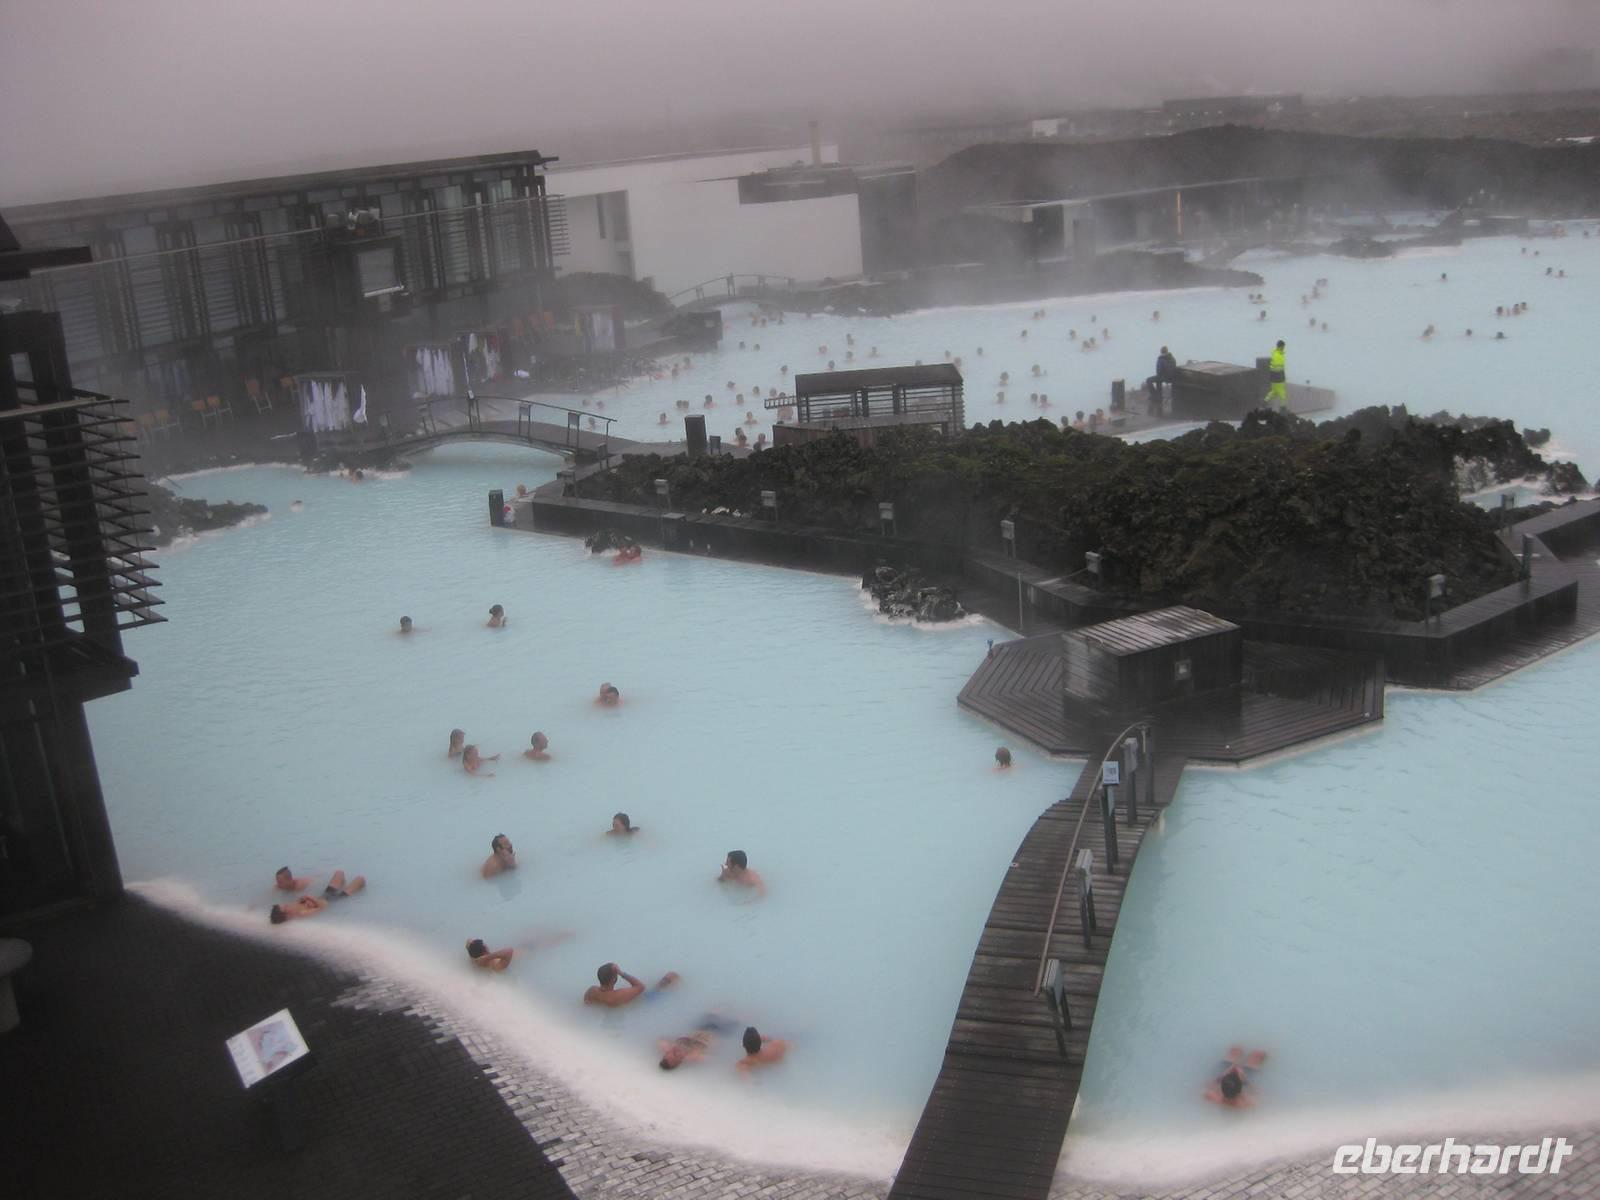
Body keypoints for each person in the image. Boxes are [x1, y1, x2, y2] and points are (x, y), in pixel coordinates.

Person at [269, 870, 365, 923]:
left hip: (324, 896)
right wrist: (310, 898)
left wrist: (303, 899)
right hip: (334, 901)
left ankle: (343, 883)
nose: (286, 905)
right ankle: (353, 888)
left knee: (339, 873)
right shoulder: (302, 914)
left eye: (284, 905)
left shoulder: (292, 908)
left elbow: (301, 900)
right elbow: (323, 908)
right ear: (286, 914)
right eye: (285, 907)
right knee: (361, 879)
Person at [658, 1014, 739, 1070]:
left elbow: (661, 1040)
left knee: (711, 1014)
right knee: (736, 1022)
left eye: (667, 1057)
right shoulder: (690, 1057)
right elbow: (710, 1058)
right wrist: (691, 1056)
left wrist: (670, 1048)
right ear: (678, 1063)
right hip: (715, 1034)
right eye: (675, 1061)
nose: (673, 1057)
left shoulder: (669, 1048)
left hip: (700, 1029)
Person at [584, 963, 680, 1007]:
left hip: (621, 1006)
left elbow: (586, 1003)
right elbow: (641, 987)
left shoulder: (592, 991)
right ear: (614, 979)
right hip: (641, 1003)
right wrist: (621, 973)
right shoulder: (618, 994)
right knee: (671, 976)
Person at [1265, 340, 1287, 408]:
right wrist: (1282, 377)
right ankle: (1283, 408)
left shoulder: (1276, 353)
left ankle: (1265, 401)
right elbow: (1278, 368)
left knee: (1274, 391)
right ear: (1280, 347)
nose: (1284, 348)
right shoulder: (1278, 355)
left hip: (1273, 377)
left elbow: (1275, 367)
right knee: (1282, 393)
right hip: (1278, 377)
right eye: (1283, 346)